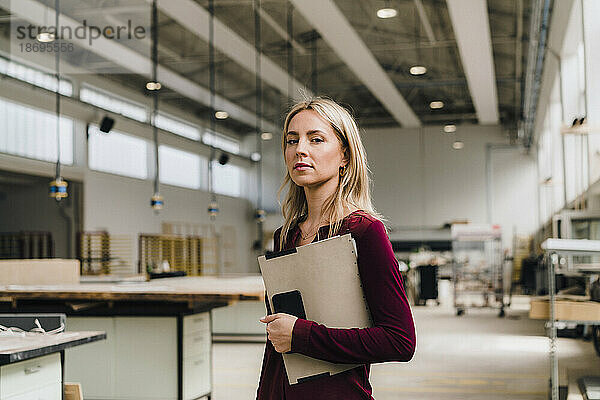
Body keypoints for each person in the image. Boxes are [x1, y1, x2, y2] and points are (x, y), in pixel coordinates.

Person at [256, 97, 416, 399]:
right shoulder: (285, 235)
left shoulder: (364, 231)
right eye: (292, 141)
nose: (300, 149)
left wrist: (302, 335)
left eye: (316, 139)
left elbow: (400, 341)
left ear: (344, 155)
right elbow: (278, 345)